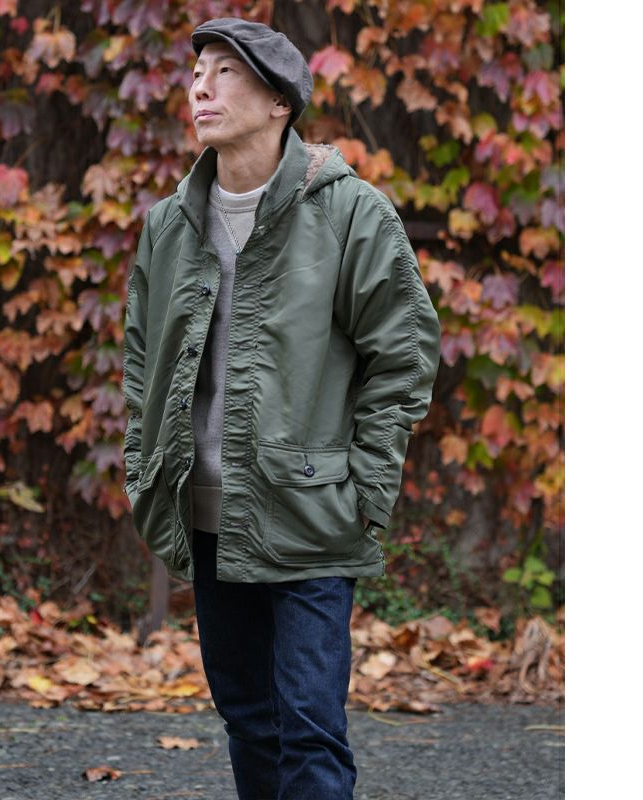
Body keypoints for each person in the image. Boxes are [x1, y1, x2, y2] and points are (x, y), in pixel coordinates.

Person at [122, 17, 441, 800]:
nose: (200, 88)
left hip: (313, 516)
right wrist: (144, 467)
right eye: (197, 72)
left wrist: (365, 492)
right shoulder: (169, 225)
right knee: (248, 720)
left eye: (224, 72)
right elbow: (141, 360)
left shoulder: (350, 213)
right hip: (206, 516)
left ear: (279, 102)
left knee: (309, 730)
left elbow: (403, 356)